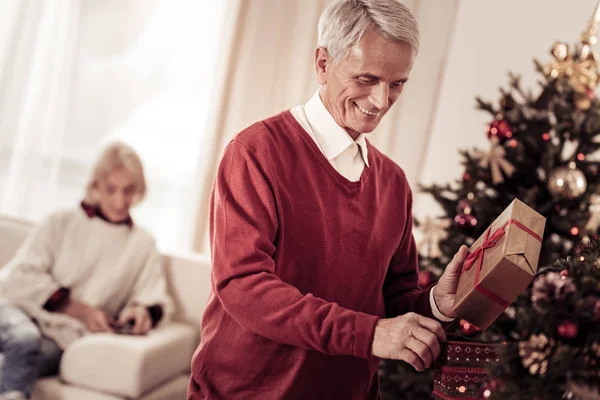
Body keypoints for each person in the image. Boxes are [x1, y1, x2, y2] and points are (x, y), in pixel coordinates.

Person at [187, 1, 469, 399]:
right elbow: (243, 285)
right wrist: (368, 334)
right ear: (322, 63)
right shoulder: (255, 152)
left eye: (397, 83)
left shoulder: (393, 183)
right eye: (366, 78)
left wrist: (435, 304)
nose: (380, 101)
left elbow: (392, 303)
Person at [0, 142, 173, 400]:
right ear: (95, 186)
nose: (119, 201)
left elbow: (152, 295)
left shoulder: (142, 244)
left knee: (30, 360)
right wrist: (76, 308)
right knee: (24, 340)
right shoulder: (60, 222)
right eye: (110, 189)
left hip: (61, 335)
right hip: (14, 309)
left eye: (128, 191)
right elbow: (19, 276)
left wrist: (139, 311)